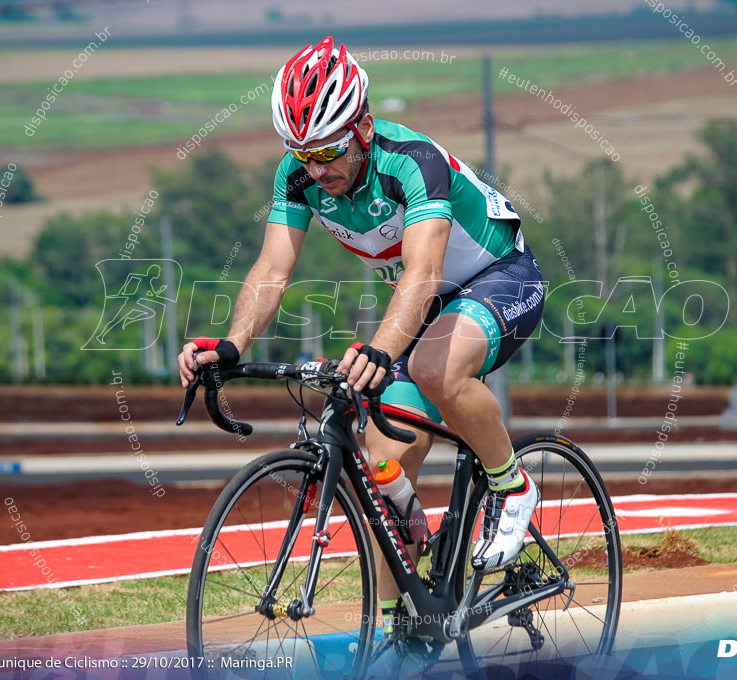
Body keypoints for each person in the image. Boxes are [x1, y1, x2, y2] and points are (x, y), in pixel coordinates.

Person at [177, 36, 545, 637]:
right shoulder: (299, 177)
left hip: (498, 277)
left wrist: (380, 350)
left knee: (433, 370)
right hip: (425, 304)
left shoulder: (411, 162)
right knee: (383, 470)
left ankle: (511, 483)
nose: (316, 169)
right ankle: (404, 624)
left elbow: (425, 274)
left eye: (327, 150)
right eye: (301, 154)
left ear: (365, 127)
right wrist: (234, 343)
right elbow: (272, 269)